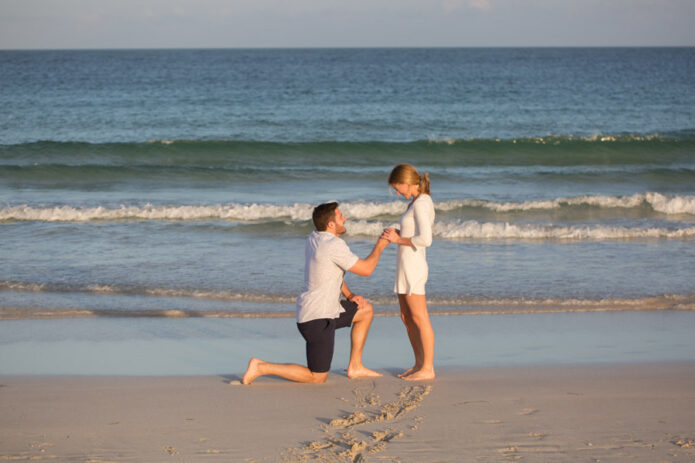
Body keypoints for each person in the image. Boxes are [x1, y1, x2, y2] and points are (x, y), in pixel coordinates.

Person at [242, 202, 389, 385]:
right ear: (331, 224)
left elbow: (329, 274)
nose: (344, 218)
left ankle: (356, 366)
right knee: (317, 377)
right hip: (318, 319)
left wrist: (350, 296)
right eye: (340, 216)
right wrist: (381, 245)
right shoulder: (333, 245)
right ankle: (261, 367)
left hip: (322, 311)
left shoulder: (314, 237)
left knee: (365, 311)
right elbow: (366, 269)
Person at [381, 164, 436, 381]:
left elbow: (426, 239)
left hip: (413, 267)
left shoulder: (422, 203)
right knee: (406, 317)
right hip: (404, 266)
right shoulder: (414, 203)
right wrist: (399, 233)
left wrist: (398, 239)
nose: (397, 192)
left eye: (398, 188)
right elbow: (413, 233)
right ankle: (419, 364)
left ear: (408, 182)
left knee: (420, 317)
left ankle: (428, 368)